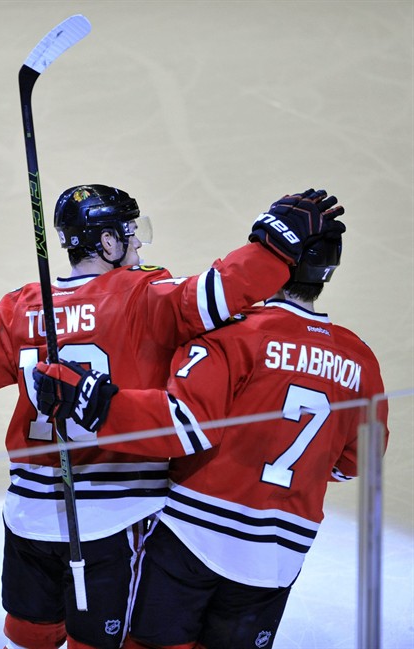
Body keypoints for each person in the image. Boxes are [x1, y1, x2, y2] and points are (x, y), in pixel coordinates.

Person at [0, 184, 342, 649]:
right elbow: (226, 290)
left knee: (26, 635)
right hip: (114, 519)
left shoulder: (22, 308)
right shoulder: (146, 296)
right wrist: (276, 247)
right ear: (106, 242)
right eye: (130, 236)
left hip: (29, 517)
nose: (139, 248)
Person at [33, 196, 388, 649]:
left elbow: (179, 424)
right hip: (279, 554)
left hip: (191, 538)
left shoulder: (233, 334)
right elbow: (355, 463)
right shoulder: (360, 359)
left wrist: (98, 404)